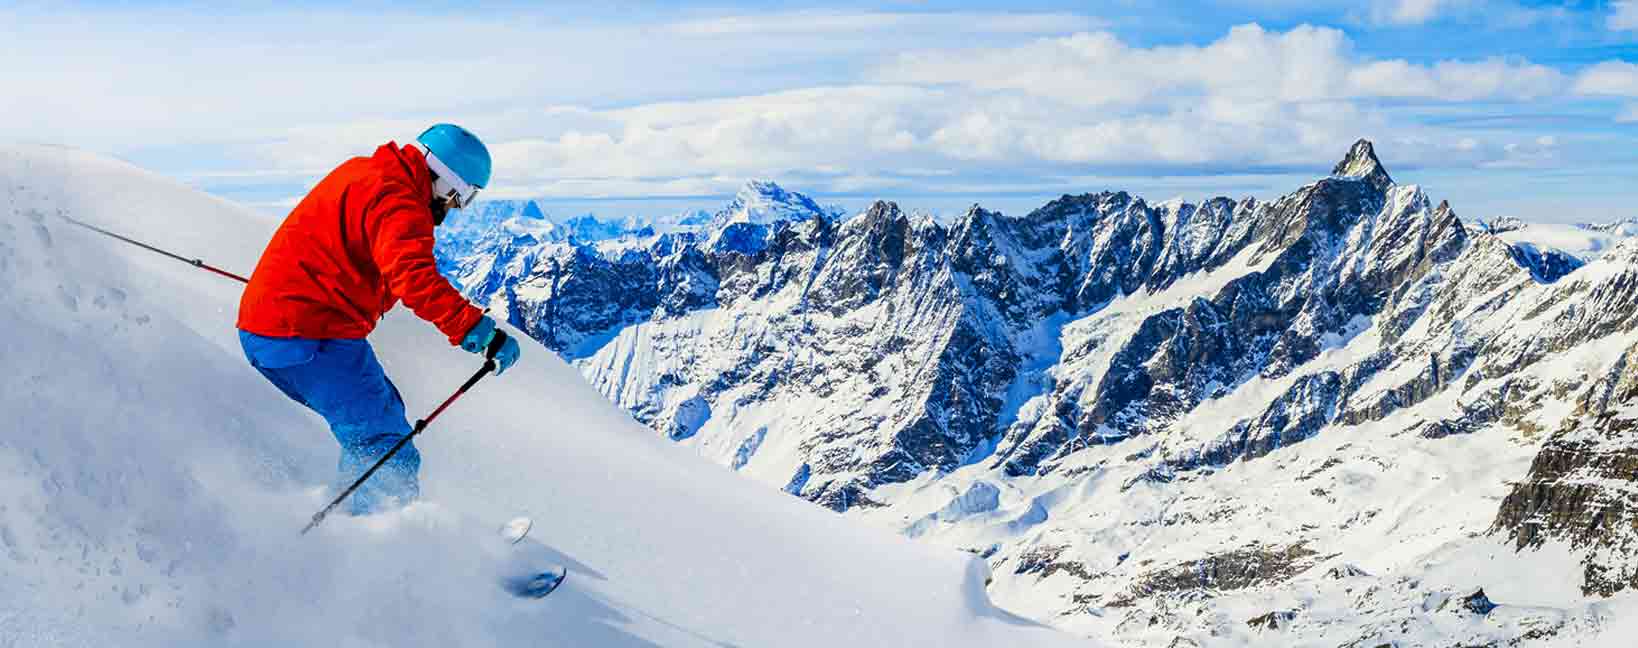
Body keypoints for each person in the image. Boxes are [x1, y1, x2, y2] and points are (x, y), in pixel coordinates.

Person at [236, 123, 521, 515]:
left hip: (281, 325)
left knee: (382, 420)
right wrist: (477, 329)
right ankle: (373, 547)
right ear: (445, 179)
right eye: (463, 195)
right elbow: (414, 278)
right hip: (305, 336)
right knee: (387, 446)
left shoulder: (367, 172)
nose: (457, 207)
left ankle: (349, 518)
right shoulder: (400, 201)